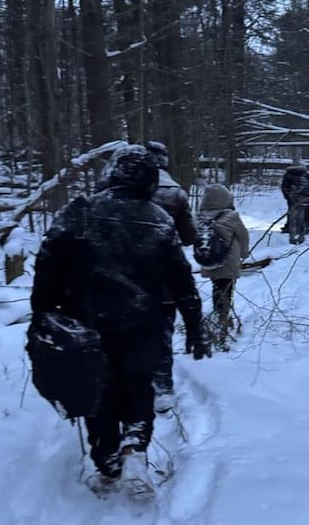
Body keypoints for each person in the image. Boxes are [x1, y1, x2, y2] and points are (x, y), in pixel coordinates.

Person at [30, 144, 211, 496]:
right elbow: (181, 278)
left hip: (85, 324)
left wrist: (44, 313)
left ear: (110, 174)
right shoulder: (159, 219)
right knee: (139, 385)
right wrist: (194, 324)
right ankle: (134, 447)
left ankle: (108, 465)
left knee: (98, 391)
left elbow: (47, 264)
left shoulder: (78, 211)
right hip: (143, 322)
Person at [144, 140, 198, 413]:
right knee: (162, 333)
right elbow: (189, 236)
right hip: (165, 276)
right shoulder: (175, 192)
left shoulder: (111, 189)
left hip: (120, 278)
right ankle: (163, 387)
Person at [197, 183, 249, 352]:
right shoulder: (231, 216)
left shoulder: (200, 216)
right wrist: (244, 252)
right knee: (227, 288)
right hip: (228, 261)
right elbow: (243, 236)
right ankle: (223, 318)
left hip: (210, 261)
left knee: (217, 286)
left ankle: (218, 312)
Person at [281, 164, 309, 244]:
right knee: (301, 217)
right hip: (304, 199)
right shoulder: (306, 175)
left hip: (292, 199)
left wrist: (287, 196)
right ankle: (301, 236)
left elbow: (284, 187)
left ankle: (292, 237)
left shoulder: (288, 175)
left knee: (292, 218)